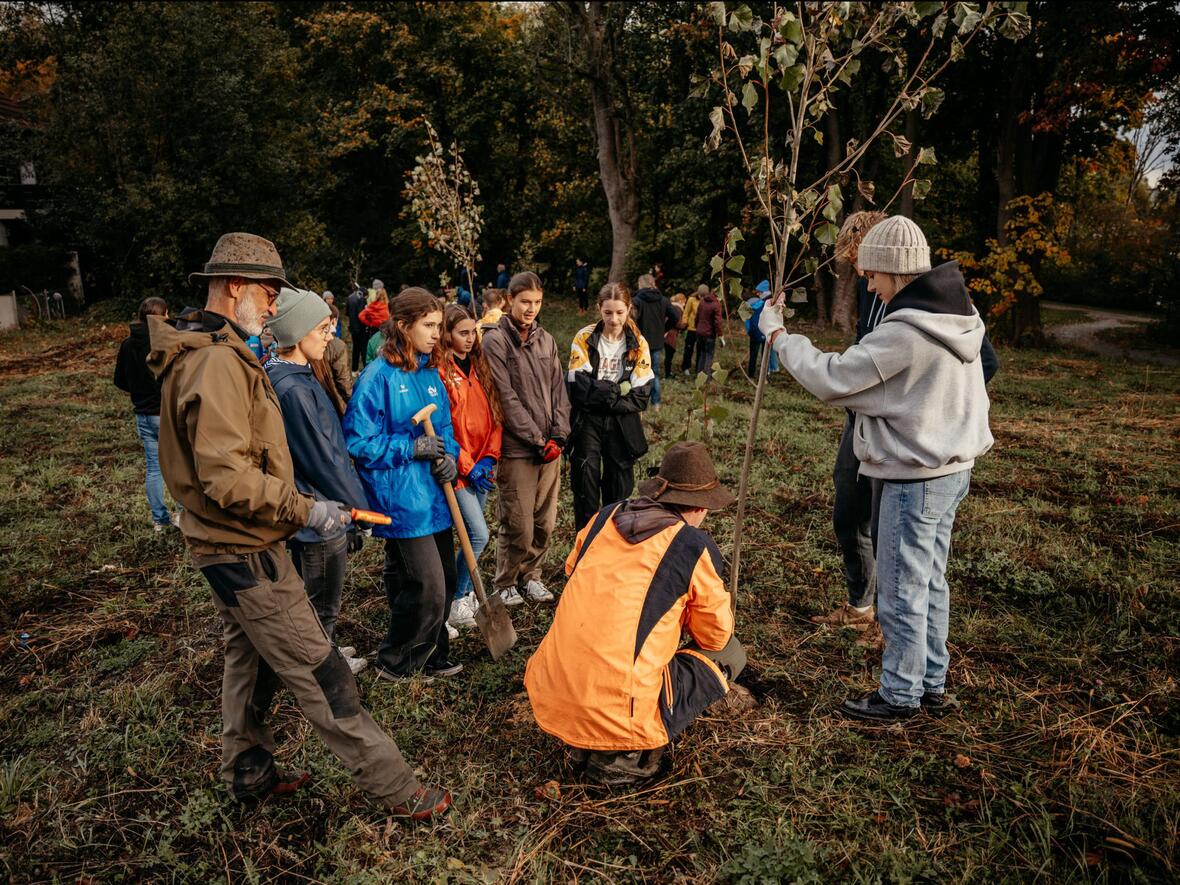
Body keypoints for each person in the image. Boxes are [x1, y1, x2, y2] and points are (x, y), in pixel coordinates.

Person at [147, 232, 449, 819]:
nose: (272, 305)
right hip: (245, 548)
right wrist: (307, 508)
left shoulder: (221, 351)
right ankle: (397, 788)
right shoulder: (214, 362)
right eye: (268, 292)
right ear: (235, 288)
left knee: (249, 661)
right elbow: (227, 479)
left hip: (232, 544)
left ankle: (248, 772)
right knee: (323, 669)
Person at [759, 216, 994, 723]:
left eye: (871, 274)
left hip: (913, 477)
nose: (866, 283)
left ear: (894, 268)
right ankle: (931, 682)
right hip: (952, 469)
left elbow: (833, 378)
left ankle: (900, 694)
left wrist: (778, 336)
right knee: (930, 581)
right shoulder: (960, 315)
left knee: (901, 587)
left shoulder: (906, 334)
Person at [813, 213, 999, 650]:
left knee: (896, 537)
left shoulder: (939, 303)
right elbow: (864, 357)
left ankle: (894, 647)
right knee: (848, 509)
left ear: (888, 260)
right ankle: (860, 605)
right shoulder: (872, 289)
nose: (861, 276)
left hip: (911, 442)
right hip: (865, 422)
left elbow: (982, 363)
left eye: (864, 265)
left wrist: (925, 408)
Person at [524, 441, 750, 786]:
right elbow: (715, 636)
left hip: (552, 686)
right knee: (731, 653)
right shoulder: (692, 546)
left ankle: (582, 739)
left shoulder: (604, 517)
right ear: (699, 507)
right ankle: (624, 756)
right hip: (620, 710)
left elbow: (574, 570)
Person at [344, 288, 464, 681]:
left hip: (434, 495)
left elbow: (445, 429)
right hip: (400, 500)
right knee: (426, 584)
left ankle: (431, 653)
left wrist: (448, 458)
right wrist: (410, 448)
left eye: (439, 325)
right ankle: (396, 661)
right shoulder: (376, 378)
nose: (436, 333)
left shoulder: (430, 373)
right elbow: (358, 443)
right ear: (402, 325)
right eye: (428, 325)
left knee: (445, 580)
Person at [264, 288, 369, 676]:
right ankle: (323, 666)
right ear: (297, 330)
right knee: (322, 596)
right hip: (321, 512)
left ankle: (322, 649)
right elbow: (323, 459)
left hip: (318, 504)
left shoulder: (294, 373)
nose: (330, 335)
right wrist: (359, 510)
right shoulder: (292, 389)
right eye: (323, 328)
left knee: (314, 592)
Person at [482, 271, 570, 605]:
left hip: (551, 448)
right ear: (509, 301)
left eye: (537, 303)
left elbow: (559, 390)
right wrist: (536, 439)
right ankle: (505, 581)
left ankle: (532, 576)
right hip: (518, 448)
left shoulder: (545, 340)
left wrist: (559, 435)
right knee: (518, 523)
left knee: (545, 522)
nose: (531, 309)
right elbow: (505, 397)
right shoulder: (495, 341)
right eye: (525, 302)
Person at [567, 283, 654, 530]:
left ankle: (613, 547)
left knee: (619, 491)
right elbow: (577, 389)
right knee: (585, 487)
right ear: (599, 310)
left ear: (629, 309)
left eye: (619, 312)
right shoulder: (584, 338)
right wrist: (617, 389)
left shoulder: (638, 343)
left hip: (623, 424)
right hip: (587, 423)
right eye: (608, 313)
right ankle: (584, 550)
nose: (614, 319)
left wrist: (599, 391)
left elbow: (641, 396)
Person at [440, 304, 503, 629]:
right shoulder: (440, 370)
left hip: (483, 466)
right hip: (461, 471)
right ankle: (457, 596)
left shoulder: (480, 366)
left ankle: (461, 595)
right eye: (462, 333)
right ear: (447, 334)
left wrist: (490, 457)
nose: (469, 339)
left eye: (472, 332)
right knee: (477, 535)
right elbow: (444, 425)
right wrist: (466, 465)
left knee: (472, 536)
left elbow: (495, 416)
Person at [114, 296, 178, 532]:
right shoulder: (167, 342)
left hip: (142, 414)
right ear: (164, 316)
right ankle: (185, 515)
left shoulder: (128, 344)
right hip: (166, 414)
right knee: (178, 466)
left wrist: (139, 390)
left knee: (154, 469)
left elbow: (119, 379)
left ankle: (159, 520)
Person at [630, 273, 678, 411]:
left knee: (637, 371)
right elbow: (675, 317)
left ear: (640, 284)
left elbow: (630, 319)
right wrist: (665, 329)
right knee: (654, 372)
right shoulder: (663, 300)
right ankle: (656, 403)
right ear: (653, 283)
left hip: (639, 342)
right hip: (656, 341)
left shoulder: (636, 301)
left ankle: (638, 402)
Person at [694, 283, 722, 377]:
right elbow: (717, 322)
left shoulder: (702, 302)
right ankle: (706, 377)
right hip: (709, 334)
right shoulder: (716, 304)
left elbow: (697, 317)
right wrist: (720, 335)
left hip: (699, 332)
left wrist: (697, 327)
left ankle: (699, 375)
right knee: (709, 355)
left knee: (702, 354)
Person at [358, 285, 389, 363]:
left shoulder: (372, 305)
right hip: (386, 329)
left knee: (373, 346)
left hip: (374, 328)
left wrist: (369, 323)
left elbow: (361, 315)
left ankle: (372, 363)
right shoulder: (387, 306)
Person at [346, 283, 370, 373]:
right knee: (364, 349)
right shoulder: (361, 299)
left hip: (353, 327)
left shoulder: (350, 297)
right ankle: (365, 369)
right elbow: (362, 314)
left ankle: (354, 369)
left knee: (355, 349)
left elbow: (347, 313)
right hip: (362, 328)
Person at [680, 285, 703, 374]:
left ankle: (699, 368)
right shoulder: (691, 300)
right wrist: (685, 323)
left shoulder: (706, 301)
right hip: (691, 328)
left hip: (701, 329)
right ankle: (686, 366)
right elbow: (686, 313)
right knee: (689, 349)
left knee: (700, 350)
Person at [664, 293, 686, 380]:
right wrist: (685, 325)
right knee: (669, 354)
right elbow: (677, 323)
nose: (684, 304)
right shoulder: (678, 309)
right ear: (680, 301)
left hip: (666, 333)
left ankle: (668, 372)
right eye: (684, 302)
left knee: (668, 354)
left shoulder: (670, 307)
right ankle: (668, 373)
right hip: (671, 334)